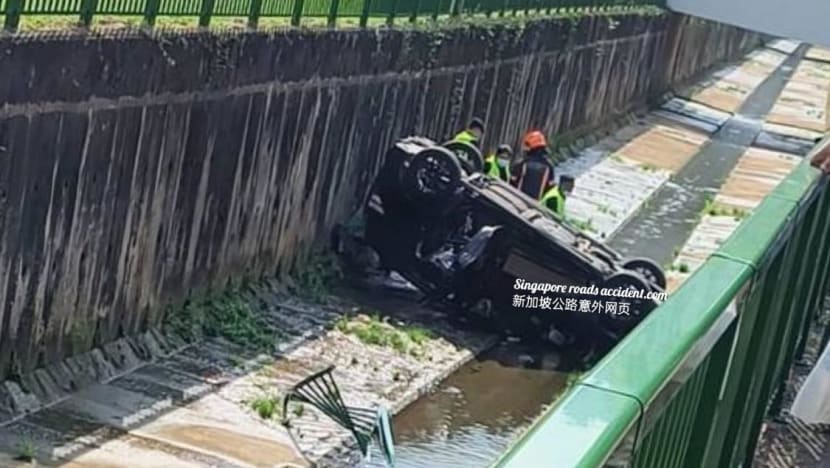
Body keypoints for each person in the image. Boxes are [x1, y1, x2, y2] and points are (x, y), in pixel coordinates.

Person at [511, 130, 557, 200]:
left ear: (532, 146)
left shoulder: (522, 163)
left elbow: (511, 183)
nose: (525, 148)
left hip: (517, 200)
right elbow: (550, 188)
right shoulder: (549, 166)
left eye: (527, 145)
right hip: (537, 205)